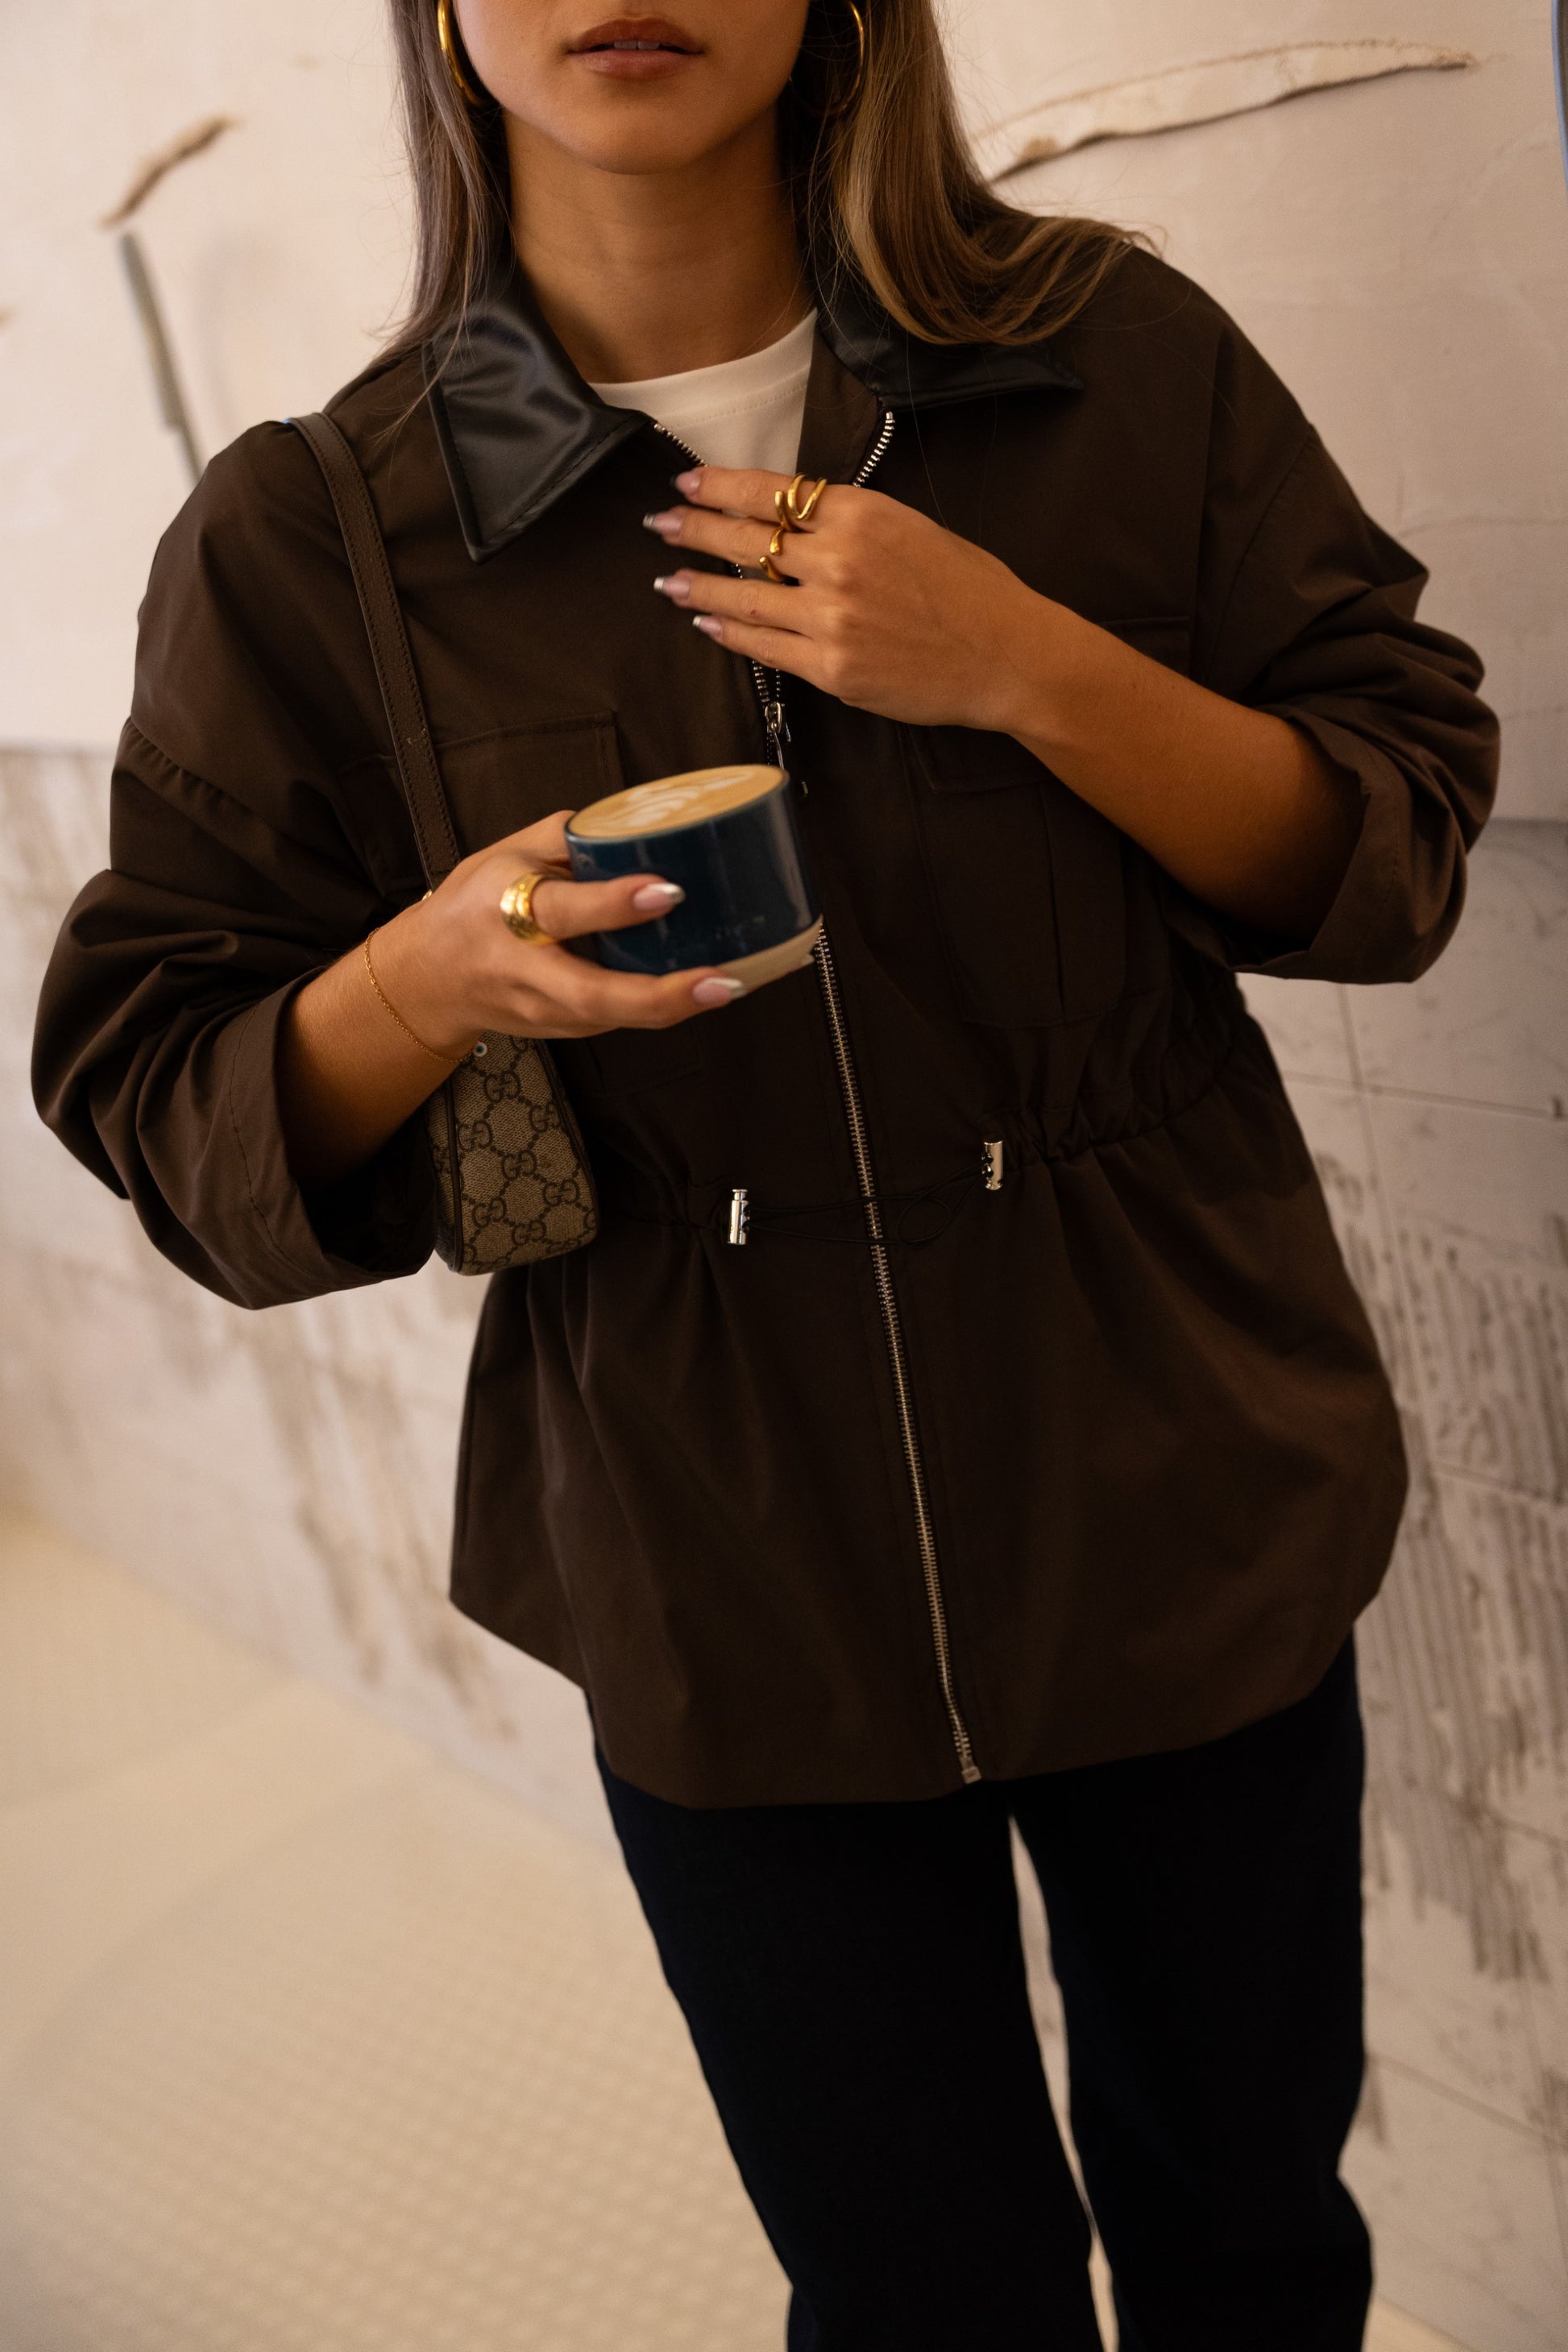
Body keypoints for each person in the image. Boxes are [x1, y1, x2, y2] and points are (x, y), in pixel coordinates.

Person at [34, 2, 1498, 2344]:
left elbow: (1393, 832)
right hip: (706, 1546)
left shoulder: (1108, 363)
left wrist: (1025, 662)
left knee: (1250, 2234)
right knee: (917, 2293)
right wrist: (428, 976)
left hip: (1176, 1461)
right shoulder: (319, 531)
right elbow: (154, 1073)